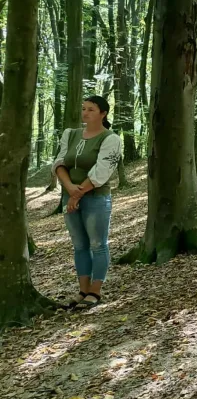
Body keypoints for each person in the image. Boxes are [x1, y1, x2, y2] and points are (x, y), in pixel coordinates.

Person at [52, 96, 123, 308]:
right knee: (79, 245)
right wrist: (70, 189)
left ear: (103, 113)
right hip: (70, 195)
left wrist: (77, 194)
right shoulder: (70, 134)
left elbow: (102, 171)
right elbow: (59, 162)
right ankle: (83, 290)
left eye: (91, 109)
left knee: (98, 244)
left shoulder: (110, 139)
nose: (85, 113)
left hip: (96, 198)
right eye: (83, 108)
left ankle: (95, 291)